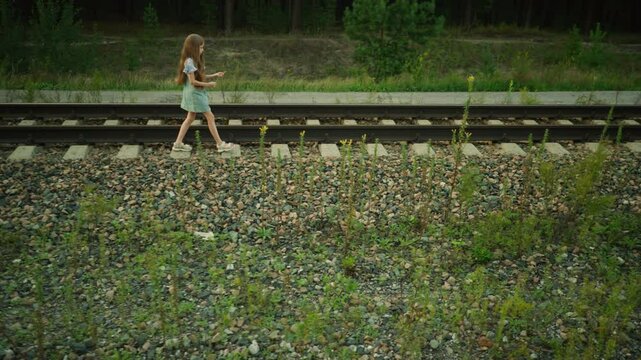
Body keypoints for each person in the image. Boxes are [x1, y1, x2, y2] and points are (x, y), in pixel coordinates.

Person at [173, 33, 235, 153]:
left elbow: (199, 76)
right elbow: (193, 81)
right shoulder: (189, 62)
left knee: (190, 117)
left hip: (195, 93)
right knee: (210, 116)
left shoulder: (192, 61)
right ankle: (220, 144)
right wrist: (209, 84)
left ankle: (178, 143)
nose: (202, 49)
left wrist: (215, 75)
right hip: (195, 94)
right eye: (201, 47)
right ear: (193, 48)